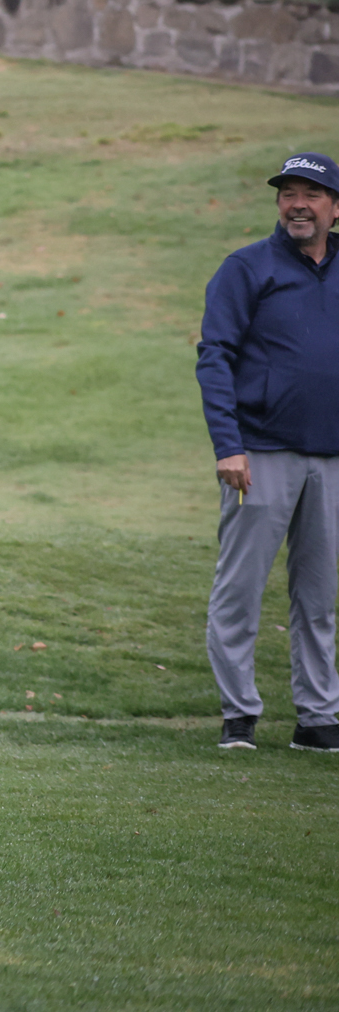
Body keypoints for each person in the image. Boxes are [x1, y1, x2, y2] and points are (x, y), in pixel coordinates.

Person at [196, 151, 339, 753]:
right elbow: (214, 358)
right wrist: (228, 445)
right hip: (257, 456)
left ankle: (318, 718)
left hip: (331, 459)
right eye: (287, 194)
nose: (297, 205)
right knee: (240, 591)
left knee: (319, 598)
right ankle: (240, 715)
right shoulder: (247, 268)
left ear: (335, 207)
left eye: (311, 194)